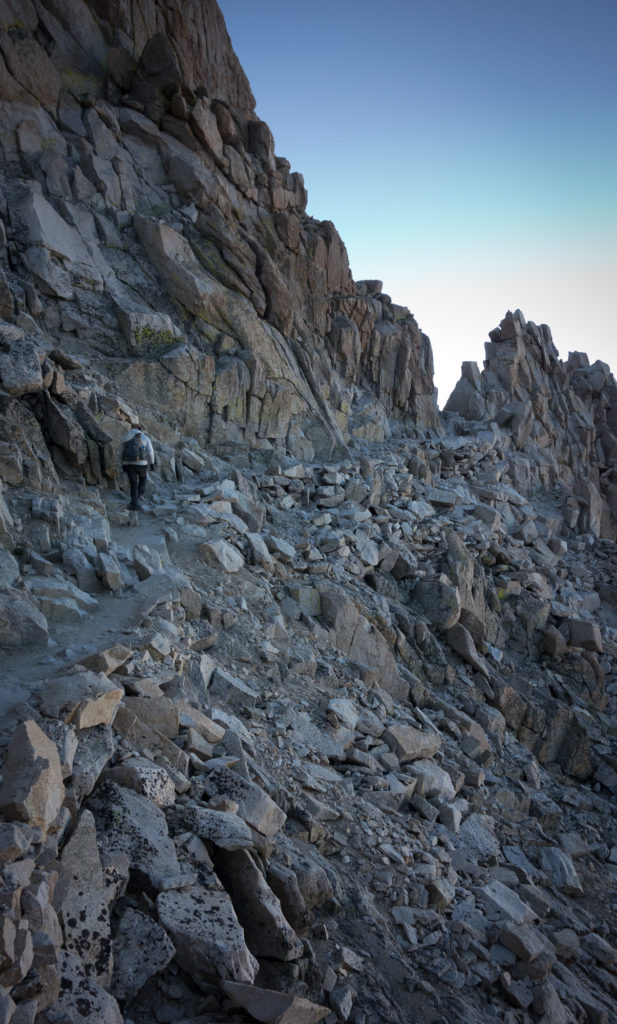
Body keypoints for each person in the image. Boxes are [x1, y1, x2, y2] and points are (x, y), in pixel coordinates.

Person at [121, 424, 155, 510]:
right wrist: (152, 464)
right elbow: (150, 452)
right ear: (140, 430)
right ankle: (140, 494)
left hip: (128, 464)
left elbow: (121, 452)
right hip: (141, 464)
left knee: (133, 483)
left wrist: (121, 464)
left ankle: (134, 504)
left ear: (131, 429)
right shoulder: (145, 437)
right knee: (143, 478)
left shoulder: (125, 437)